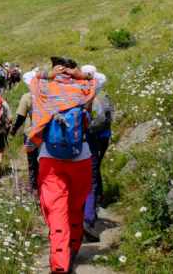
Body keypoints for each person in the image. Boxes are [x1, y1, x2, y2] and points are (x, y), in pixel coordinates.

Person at [22, 57, 106, 274]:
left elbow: (27, 76)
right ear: (73, 71)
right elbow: (101, 78)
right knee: (75, 207)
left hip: (50, 161)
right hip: (82, 158)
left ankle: (60, 263)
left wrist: (45, 75)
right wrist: (82, 75)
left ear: (54, 71)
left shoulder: (45, 88)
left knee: (56, 210)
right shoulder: (85, 88)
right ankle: (74, 248)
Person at [80, 65, 114, 243]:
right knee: (93, 176)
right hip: (98, 136)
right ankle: (91, 214)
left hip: (79, 139)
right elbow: (101, 76)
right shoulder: (97, 88)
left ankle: (77, 217)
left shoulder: (74, 90)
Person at [10, 91, 39, 194]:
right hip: (46, 133)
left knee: (32, 161)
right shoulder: (48, 94)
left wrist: (14, 128)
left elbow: (21, 118)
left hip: (30, 132)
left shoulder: (27, 96)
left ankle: (34, 185)